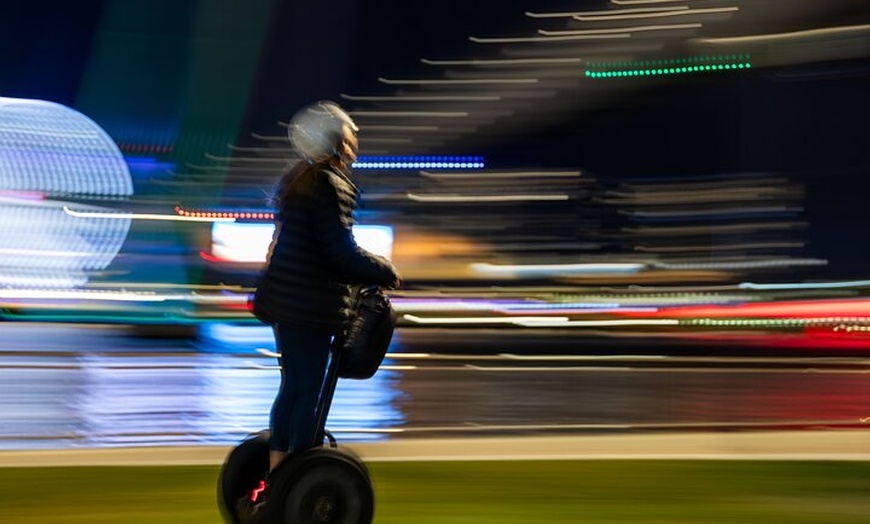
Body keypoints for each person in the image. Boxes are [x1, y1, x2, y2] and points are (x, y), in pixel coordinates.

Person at [251, 101, 401, 474]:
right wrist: (385, 271)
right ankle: (296, 479)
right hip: (310, 307)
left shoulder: (300, 181)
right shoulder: (329, 185)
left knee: (293, 390)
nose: (353, 150)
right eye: (348, 142)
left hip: (286, 303)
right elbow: (339, 252)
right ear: (332, 144)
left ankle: (277, 473)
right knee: (308, 394)